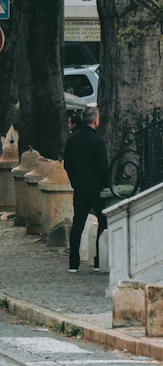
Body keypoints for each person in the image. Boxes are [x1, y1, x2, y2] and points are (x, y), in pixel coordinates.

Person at [64, 105, 111, 274]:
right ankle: (98, 260)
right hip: (96, 188)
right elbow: (102, 166)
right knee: (102, 223)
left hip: (80, 188)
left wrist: (75, 181)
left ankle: (73, 263)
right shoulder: (97, 141)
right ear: (96, 120)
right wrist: (106, 185)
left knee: (78, 224)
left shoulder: (72, 140)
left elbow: (67, 165)